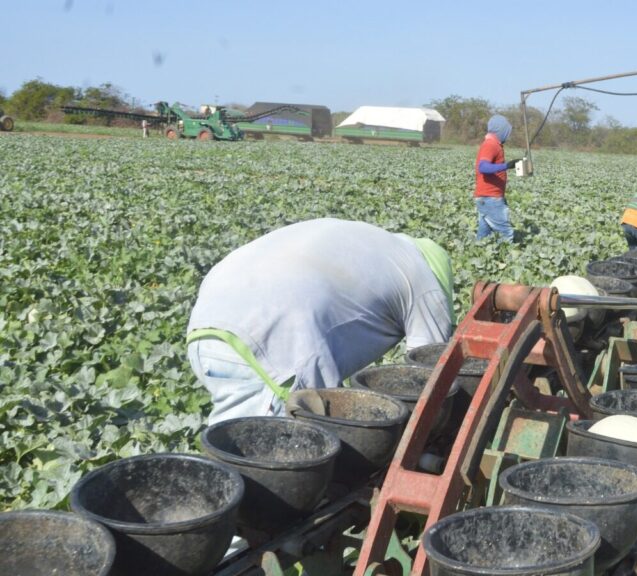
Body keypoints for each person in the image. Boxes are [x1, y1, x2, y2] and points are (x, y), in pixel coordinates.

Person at [186, 219, 454, 424]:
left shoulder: (380, 245)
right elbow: (429, 371)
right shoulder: (425, 283)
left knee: (230, 447)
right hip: (274, 341)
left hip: (206, 325)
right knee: (268, 461)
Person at [475, 114, 519, 242]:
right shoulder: (491, 144)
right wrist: (506, 166)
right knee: (506, 233)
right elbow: (483, 167)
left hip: (486, 198)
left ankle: (480, 255)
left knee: (484, 235)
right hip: (490, 198)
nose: (508, 135)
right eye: (507, 131)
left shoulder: (493, 144)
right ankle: (508, 260)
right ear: (501, 130)